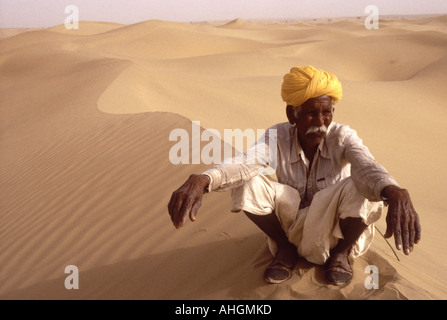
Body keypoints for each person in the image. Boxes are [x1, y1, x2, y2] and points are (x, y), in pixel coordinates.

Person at [167, 65, 421, 286]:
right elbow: (247, 163)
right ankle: (285, 251)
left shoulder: (342, 136)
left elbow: (367, 165)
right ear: (292, 114)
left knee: (366, 188)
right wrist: (205, 179)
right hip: (292, 228)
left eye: (327, 113)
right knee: (248, 184)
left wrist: (394, 190)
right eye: (311, 113)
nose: (321, 122)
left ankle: (342, 255)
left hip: (335, 230)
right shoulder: (277, 136)